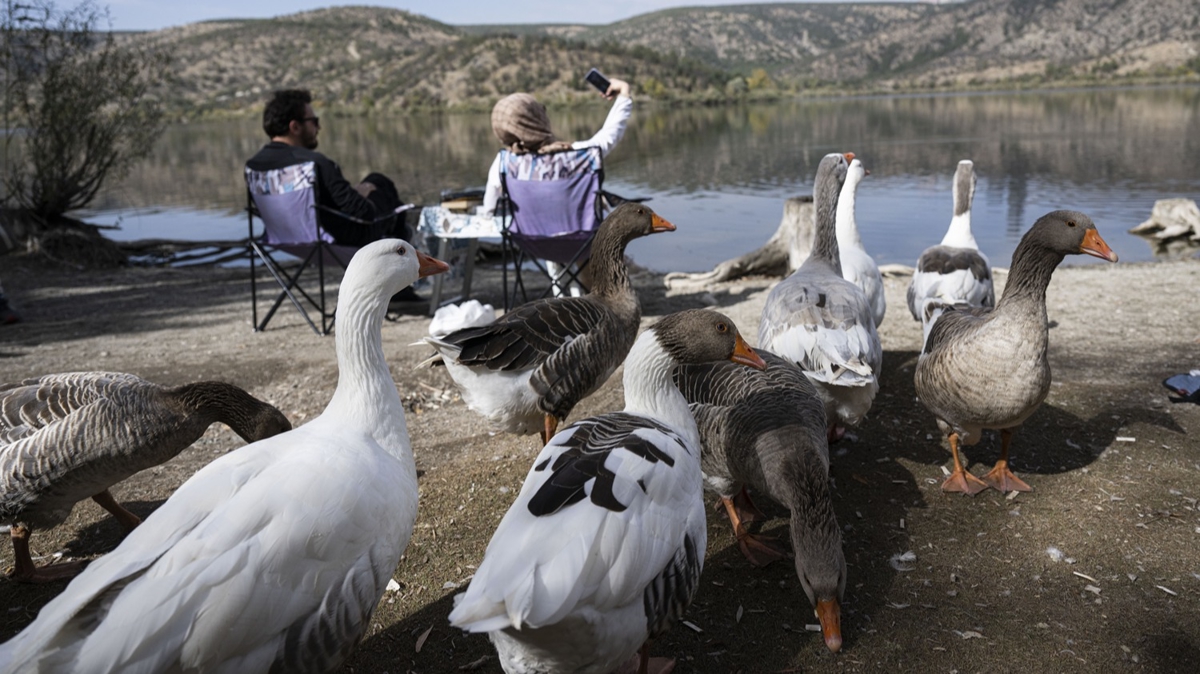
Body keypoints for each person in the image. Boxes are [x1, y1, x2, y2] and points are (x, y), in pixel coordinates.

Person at [246, 89, 421, 301]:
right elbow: (364, 212)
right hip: (336, 242)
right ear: (295, 126)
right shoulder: (314, 163)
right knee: (379, 183)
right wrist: (363, 192)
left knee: (376, 192)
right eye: (314, 120)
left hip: (284, 241)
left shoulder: (254, 166)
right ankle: (399, 291)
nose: (318, 127)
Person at [480, 76, 633, 217]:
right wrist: (624, 92)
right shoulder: (581, 155)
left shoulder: (504, 163)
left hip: (531, 244)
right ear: (540, 119)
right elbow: (611, 134)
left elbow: (489, 210)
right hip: (583, 244)